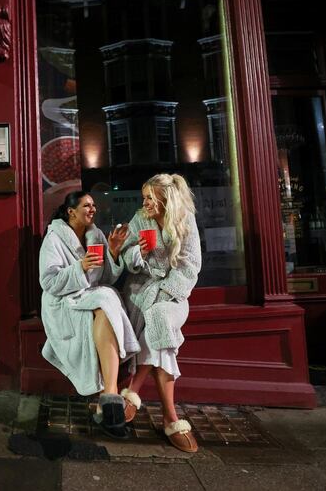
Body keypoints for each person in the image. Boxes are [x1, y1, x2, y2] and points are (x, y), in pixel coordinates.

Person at [39, 191, 140, 438]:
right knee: (106, 300)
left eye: (94, 205)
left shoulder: (95, 235)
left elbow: (105, 279)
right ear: (71, 211)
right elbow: (49, 283)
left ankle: (110, 393)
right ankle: (112, 402)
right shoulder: (54, 239)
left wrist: (113, 252)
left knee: (106, 303)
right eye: (87, 205)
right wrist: (79, 267)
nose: (93, 209)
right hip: (62, 303)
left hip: (90, 298)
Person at [119, 174, 202, 453]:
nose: (144, 203)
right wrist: (138, 253)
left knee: (159, 315)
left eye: (150, 198)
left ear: (167, 199)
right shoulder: (140, 218)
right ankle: (170, 418)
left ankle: (133, 391)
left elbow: (190, 267)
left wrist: (162, 294)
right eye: (144, 197)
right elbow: (125, 256)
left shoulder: (185, 220)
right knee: (157, 320)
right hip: (141, 291)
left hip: (174, 295)